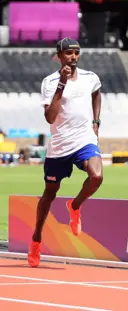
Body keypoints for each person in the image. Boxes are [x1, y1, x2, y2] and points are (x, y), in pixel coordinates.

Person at [28, 38, 104, 268]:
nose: (72, 57)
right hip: (60, 145)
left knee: (97, 176)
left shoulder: (91, 77)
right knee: (50, 193)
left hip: (84, 140)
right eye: (68, 53)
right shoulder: (50, 82)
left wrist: (96, 121)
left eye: (76, 53)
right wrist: (62, 83)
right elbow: (50, 117)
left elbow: (96, 93)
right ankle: (36, 239)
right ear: (59, 55)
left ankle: (75, 205)